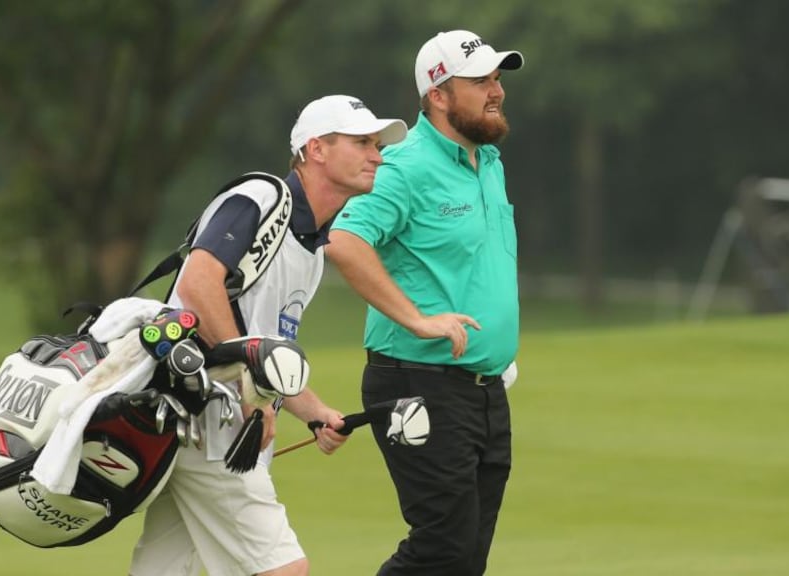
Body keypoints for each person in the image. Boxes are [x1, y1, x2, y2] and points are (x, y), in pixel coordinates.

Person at [129, 95, 408, 576]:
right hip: (208, 421)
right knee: (284, 570)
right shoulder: (262, 197)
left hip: (211, 426)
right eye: (362, 142)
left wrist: (315, 411)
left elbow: (266, 349)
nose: (377, 155)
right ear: (316, 149)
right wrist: (250, 390)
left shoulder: (314, 248)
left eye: (377, 145)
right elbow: (199, 282)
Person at [327, 30, 524, 576]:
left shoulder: (488, 161)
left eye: (497, 79)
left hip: (482, 388)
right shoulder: (404, 165)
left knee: (465, 560)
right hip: (417, 381)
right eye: (480, 80)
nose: (496, 90)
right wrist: (415, 318)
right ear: (438, 94)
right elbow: (345, 239)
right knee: (444, 548)